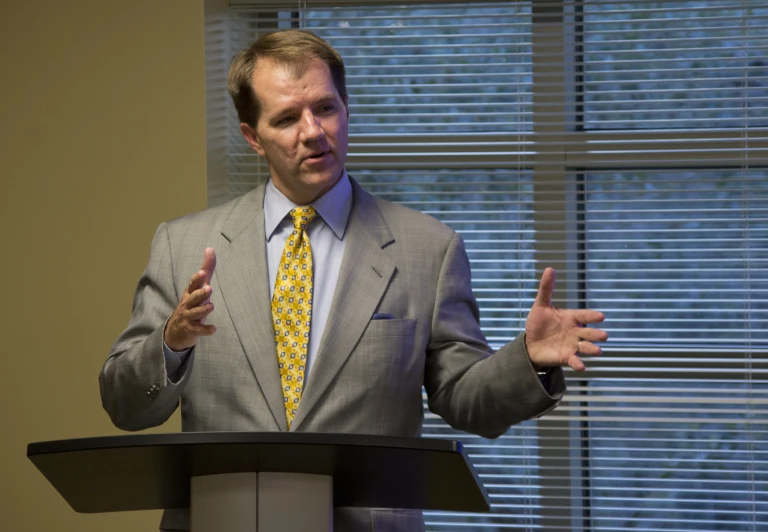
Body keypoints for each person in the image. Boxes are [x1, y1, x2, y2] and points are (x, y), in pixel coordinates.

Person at [99, 29, 607, 532]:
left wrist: (527, 361)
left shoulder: (428, 248)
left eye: (325, 108)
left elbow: (464, 399)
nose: (313, 131)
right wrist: (172, 343)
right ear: (252, 136)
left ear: (346, 107)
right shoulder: (182, 244)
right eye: (286, 118)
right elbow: (124, 405)